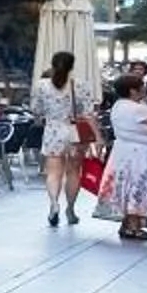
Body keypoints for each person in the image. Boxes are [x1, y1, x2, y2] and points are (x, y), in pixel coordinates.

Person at [101, 65, 147, 243]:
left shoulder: (118, 106)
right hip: (142, 154)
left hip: (124, 152)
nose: (144, 89)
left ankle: (127, 224)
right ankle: (134, 227)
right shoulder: (137, 108)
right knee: (139, 186)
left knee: (126, 186)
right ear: (133, 90)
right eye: (141, 86)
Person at [27, 50, 87, 229]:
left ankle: (54, 203)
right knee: (74, 172)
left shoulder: (41, 85)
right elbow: (87, 111)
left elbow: (36, 109)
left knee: (53, 173)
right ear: (72, 67)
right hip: (74, 130)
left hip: (53, 130)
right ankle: (70, 208)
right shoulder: (79, 85)